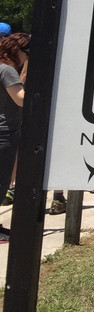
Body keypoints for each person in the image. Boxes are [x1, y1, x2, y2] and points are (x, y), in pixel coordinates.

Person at [0, 32, 28, 243]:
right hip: (4, 133)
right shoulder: (7, 70)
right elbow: (21, 100)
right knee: (2, 181)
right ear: (17, 50)